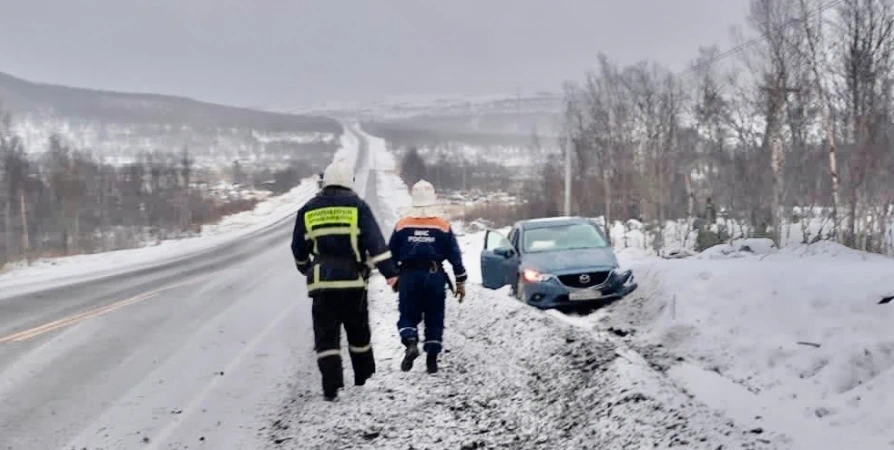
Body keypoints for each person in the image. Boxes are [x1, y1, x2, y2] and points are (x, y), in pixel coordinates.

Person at [291, 159, 398, 401]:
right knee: (358, 334)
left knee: (326, 338)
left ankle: (331, 387)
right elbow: (376, 245)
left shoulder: (307, 210)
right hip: (353, 283)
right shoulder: (357, 207)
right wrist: (391, 273)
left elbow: (298, 249)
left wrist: (309, 269)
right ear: (348, 182)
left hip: (322, 286)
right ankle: (363, 378)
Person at [388, 180, 467, 374]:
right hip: (434, 276)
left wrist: (392, 276)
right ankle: (432, 360)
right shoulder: (442, 225)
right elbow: (455, 256)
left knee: (407, 313)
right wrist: (460, 281)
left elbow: (391, 254)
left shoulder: (402, 225)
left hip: (409, 275)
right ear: (433, 199)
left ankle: (411, 342)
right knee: (434, 316)